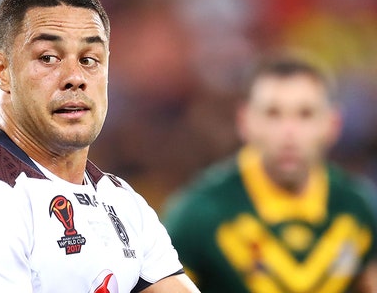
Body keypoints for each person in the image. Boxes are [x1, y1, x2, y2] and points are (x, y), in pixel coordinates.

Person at [0, 0, 200, 292]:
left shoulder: (122, 202)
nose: (75, 77)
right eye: (48, 58)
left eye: (90, 59)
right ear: (1, 71)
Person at [161, 53, 377, 292]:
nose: (289, 133)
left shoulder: (359, 208)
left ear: (333, 124)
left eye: (305, 114)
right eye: (273, 114)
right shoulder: (199, 214)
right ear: (245, 121)